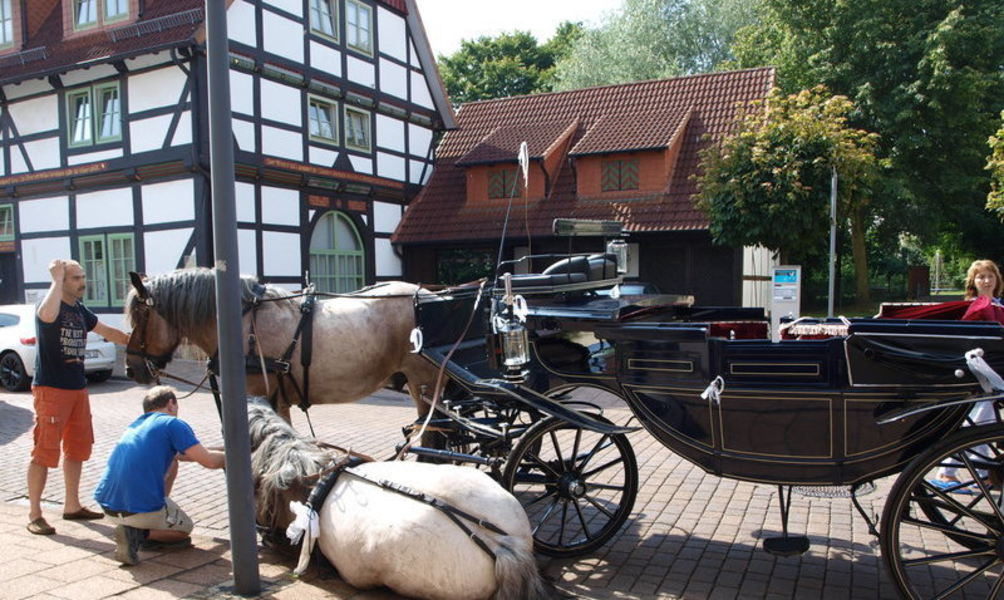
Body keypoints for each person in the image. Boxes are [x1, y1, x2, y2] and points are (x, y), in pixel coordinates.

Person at [27, 258, 129, 536]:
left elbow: (106, 331)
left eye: (82, 276)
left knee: (77, 448)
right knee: (44, 451)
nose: (83, 282)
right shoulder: (50, 304)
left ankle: (72, 505)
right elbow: (47, 316)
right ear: (62, 280)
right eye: (75, 278)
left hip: (77, 389)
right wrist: (55, 280)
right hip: (51, 389)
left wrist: (135, 342)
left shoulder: (79, 309)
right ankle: (35, 513)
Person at [94, 385, 225, 566]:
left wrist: (224, 448)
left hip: (109, 508)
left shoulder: (137, 425)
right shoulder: (172, 423)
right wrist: (238, 454)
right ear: (171, 403)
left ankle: (143, 524)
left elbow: (184, 454)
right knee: (184, 529)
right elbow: (209, 461)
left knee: (172, 461)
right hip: (135, 512)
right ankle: (138, 533)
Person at [930, 259, 1004, 492]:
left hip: (995, 371)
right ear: (973, 281)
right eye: (981, 277)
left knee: (985, 421)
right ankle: (947, 472)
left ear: (997, 280)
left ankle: (982, 473)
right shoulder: (974, 307)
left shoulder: (998, 305)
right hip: (982, 371)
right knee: (979, 420)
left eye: (990, 276)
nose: (986, 281)